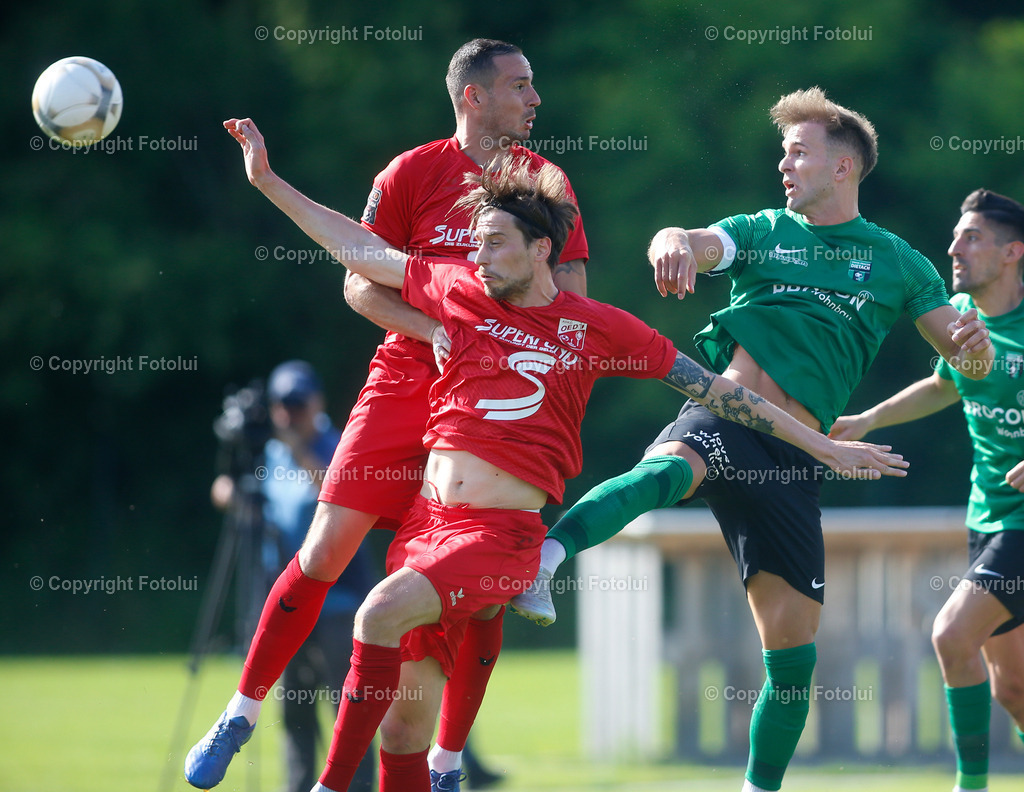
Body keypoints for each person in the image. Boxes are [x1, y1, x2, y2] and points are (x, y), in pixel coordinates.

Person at [215, 121, 909, 792]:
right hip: (426, 525)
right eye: (475, 243)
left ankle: (337, 784)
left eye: (493, 243)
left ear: (542, 248)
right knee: (401, 731)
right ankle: (435, 763)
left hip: (497, 534)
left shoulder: (596, 327)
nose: (477, 256)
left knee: (375, 616)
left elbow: (719, 393)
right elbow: (361, 251)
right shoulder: (458, 288)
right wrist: (268, 181)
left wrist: (822, 445)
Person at [509, 87, 994, 792]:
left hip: (795, 459)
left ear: (844, 167)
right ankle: (544, 558)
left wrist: (977, 350)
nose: (784, 166)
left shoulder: (898, 262)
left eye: (799, 153)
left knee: (793, 661)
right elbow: (695, 240)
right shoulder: (765, 229)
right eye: (782, 153)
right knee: (667, 469)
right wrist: (673, 242)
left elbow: (965, 357)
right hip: (730, 416)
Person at [186, 39, 585, 792]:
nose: (535, 99)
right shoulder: (410, 173)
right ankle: (240, 713)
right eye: (520, 85)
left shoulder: (546, 182)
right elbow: (359, 282)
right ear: (472, 96)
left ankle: (447, 762)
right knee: (323, 552)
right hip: (405, 384)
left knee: (474, 599)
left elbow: (571, 297)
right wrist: (437, 331)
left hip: (485, 406)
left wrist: (506, 356)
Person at [830, 188, 1024, 792]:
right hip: (987, 516)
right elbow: (944, 385)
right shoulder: (960, 314)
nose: (954, 248)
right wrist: (868, 420)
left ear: (1013, 252)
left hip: (1021, 526)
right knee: (1013, 688)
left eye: (972, 237)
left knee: (951, 635)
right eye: (955, 236)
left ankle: (971, 786)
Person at [210, 360, 378, 792]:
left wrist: (296, 448)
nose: (288, 414)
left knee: (348, 712)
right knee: (295, 714)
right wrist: (233, 493)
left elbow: (336, 492)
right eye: (281, 405)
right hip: (288, 602)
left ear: (317, 403)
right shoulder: (270, 453)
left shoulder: (338, 443)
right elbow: (253, 507)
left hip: (340, 602)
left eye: (298, 404)